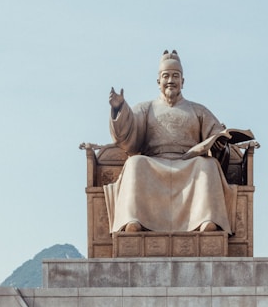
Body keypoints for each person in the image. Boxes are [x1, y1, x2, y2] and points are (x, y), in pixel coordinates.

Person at [104, 50, 255, 235]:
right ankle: (133, 220)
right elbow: (127, 137)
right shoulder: (145, 108)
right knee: (135, 163)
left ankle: (207, 219)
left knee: (208, 165)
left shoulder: (198, 110)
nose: (170, 80)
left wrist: (219, 145)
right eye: (166, 76)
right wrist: (119, 109)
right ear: (158, 81)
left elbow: (216, 135)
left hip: (189, 162)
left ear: (183, 81)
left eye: (175, 76)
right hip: (154, 163)